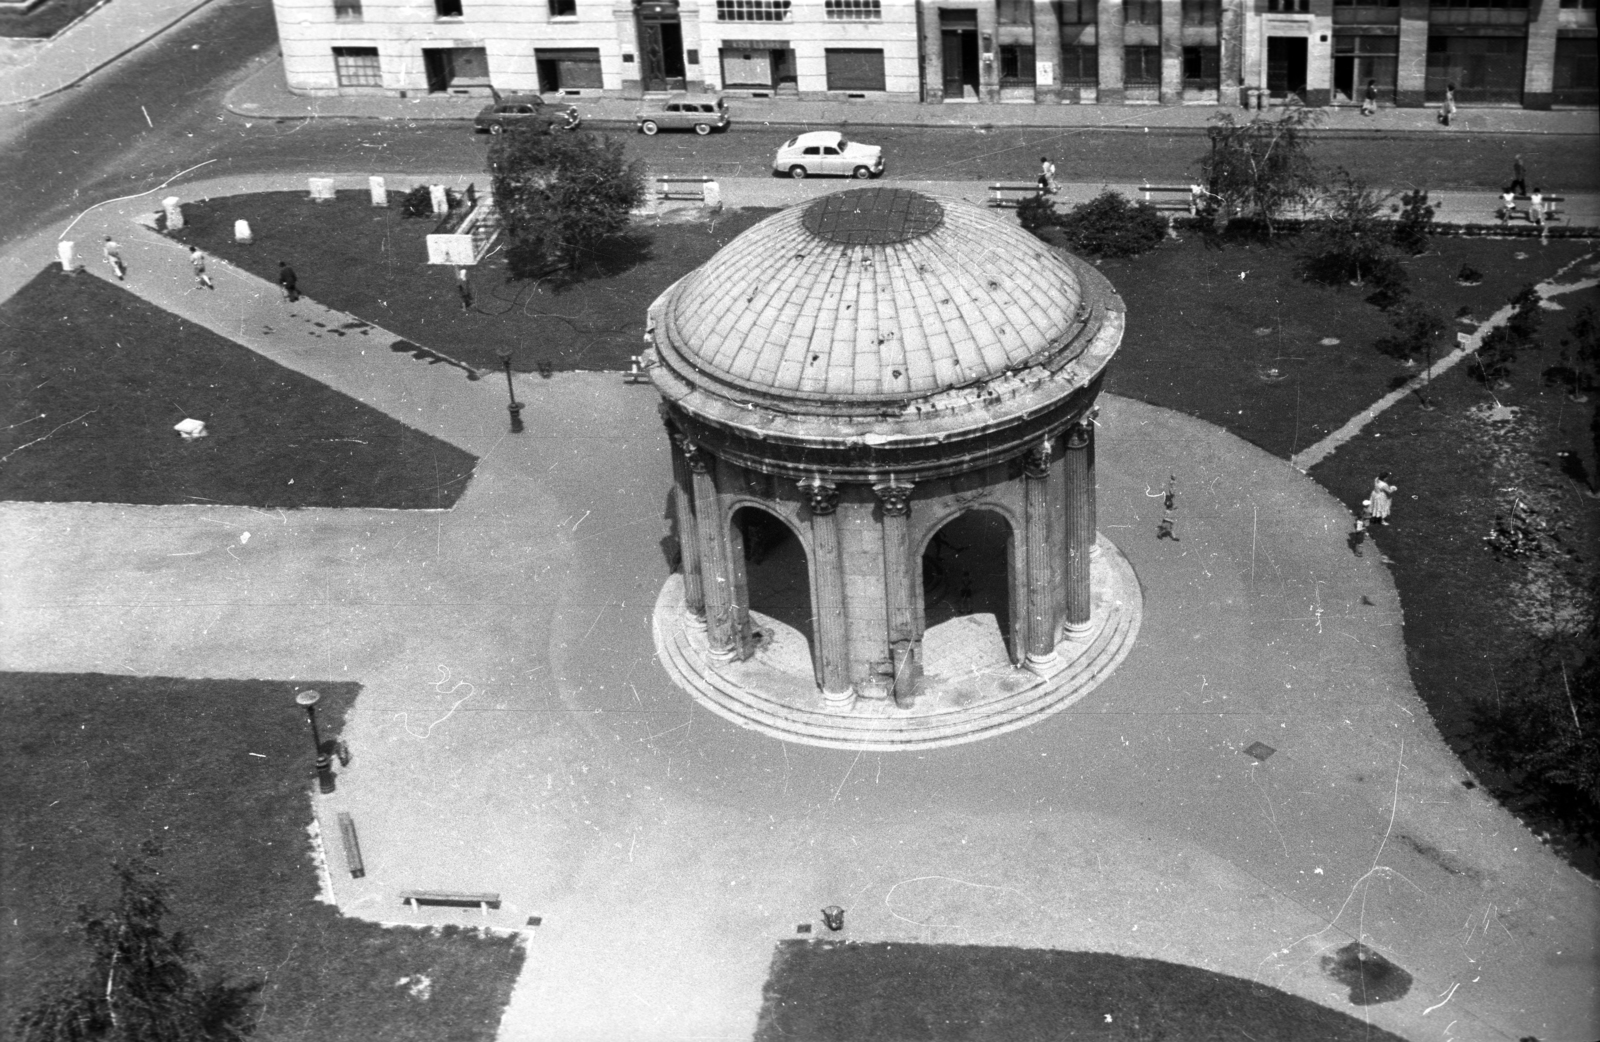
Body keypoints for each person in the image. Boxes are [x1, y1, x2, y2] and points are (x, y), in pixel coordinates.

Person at [1156, 475, 1179, 541]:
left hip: (1168, 522)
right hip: (1166, 523)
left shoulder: (1169, 510)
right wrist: (1170, 520)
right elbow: (1164, 517)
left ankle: (1173, 537)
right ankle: (1160, 534)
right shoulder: (1167, 511)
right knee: (1166, 529)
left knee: (1169, 530)